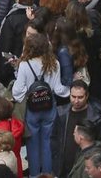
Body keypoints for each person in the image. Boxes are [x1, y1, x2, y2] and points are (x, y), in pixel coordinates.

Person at [10, 30, 65, 177]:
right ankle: (47, 174)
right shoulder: (55, 64)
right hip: (50, 105)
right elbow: (58, 88)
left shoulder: (24, 65)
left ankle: (35, 174)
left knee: (32, 144)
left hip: (32, 108)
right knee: (48, 141)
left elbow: (18, 92)